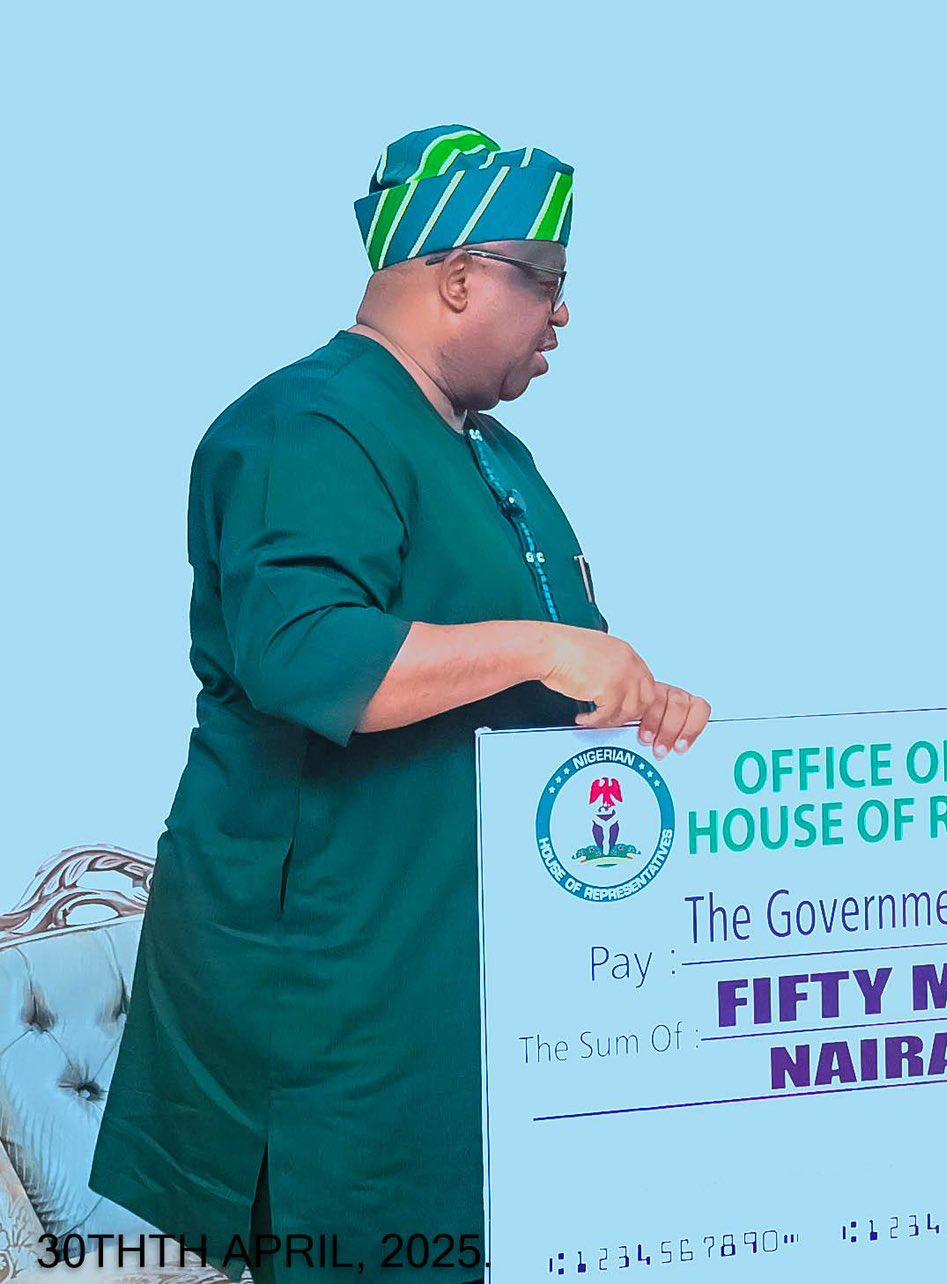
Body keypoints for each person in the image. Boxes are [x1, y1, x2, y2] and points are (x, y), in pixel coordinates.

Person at [88, 125, 710, 1282]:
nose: (562, 314)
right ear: (460, 275)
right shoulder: (309, 424)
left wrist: (630, 699)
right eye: (547, 281)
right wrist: (546, 646)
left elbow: (525, 666)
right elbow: (304, 652)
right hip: (330, 989)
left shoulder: (494, 455)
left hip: (455, 965)